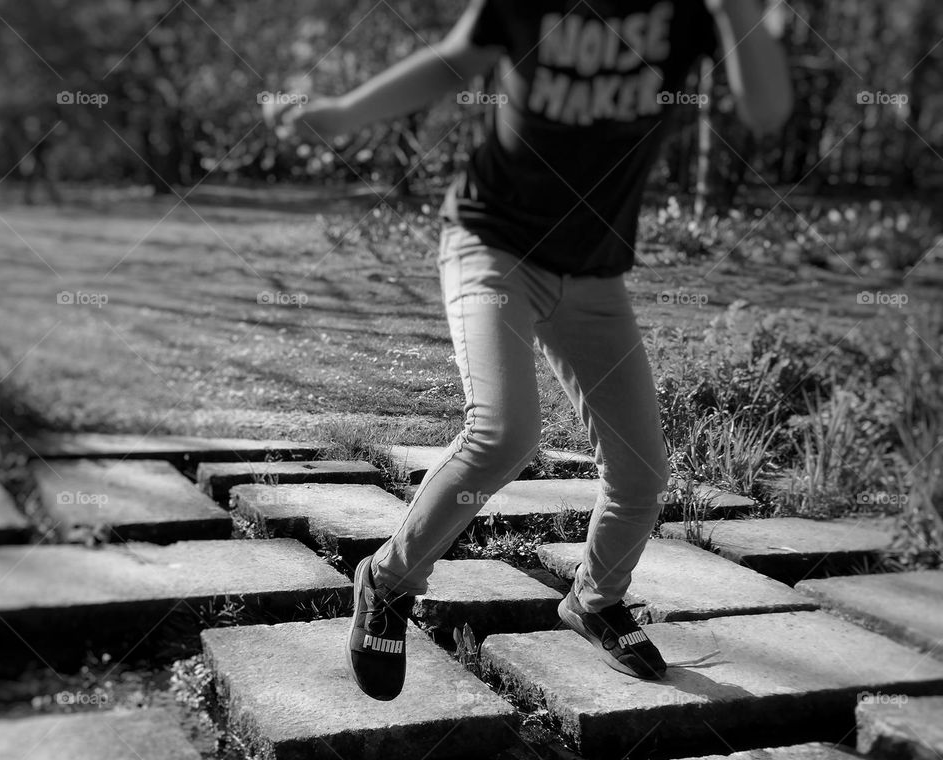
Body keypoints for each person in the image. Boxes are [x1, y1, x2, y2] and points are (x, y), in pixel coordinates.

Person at [264, 1, 792, 701]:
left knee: (640, 475)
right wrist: (344, 112)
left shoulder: (688, 11)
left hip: (594, 272)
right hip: (494, 246)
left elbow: (764, 112)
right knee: (506, 431)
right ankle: (388, 582)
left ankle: (596, 600)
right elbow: (456, 61)